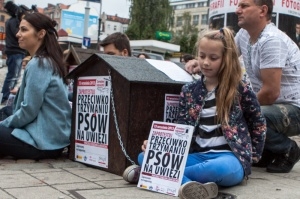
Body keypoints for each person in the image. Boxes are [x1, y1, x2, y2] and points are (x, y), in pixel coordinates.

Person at [122, 28, 266, 199]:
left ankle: (151, 174)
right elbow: (180, 127)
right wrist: (156, 146)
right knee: (143, 155)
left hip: (230, 158)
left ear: (226, 59)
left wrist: (253, 157)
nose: (205, 62)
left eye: (213, 58)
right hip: (196, 155)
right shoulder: (189, 90)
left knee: (215, 169)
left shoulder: (239, 88)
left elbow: (258, 122)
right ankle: (185, 184)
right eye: (202, 56)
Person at [186, 0, 300, 173]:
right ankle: (267, 152)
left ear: (263, 10)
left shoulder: (272, 41)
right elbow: (222, 56)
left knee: (247, 115)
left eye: (244, 6)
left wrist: (232, 106)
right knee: (242, 113)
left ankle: (288, 149)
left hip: (294, 108)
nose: (237, 10)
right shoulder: (244, 35)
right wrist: (200, 60)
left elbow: (270, 93)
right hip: (275, 106)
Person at [0, 12, 71, 159]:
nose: (18, 34)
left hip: (44, 142)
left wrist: (5, 124)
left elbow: (29, 110)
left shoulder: (39, 64)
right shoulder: (48, 60)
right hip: (53, 137)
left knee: (5, 120)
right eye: (19, 29)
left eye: (24, 30)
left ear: (41, 34)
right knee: (6, 111)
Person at [1, 1, 26, 104]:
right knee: (13, 76)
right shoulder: (14, 22)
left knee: (13, 75)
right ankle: (6, 98)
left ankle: (6, 97)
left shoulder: (10, 21)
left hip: (13, 51)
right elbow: (18, 34)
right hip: (16, 51)